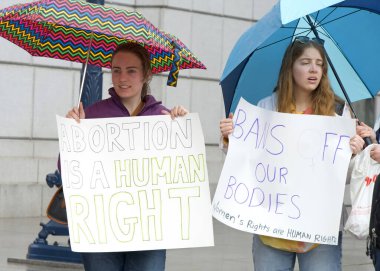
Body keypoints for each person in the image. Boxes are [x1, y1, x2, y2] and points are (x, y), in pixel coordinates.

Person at [219, 36, 365, 271]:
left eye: (319, 64)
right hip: (271, 229)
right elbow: (249, 164)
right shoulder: (266, 108)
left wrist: (353, 155)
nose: (313, 69)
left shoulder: (338, 113)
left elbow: (344, 178)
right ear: (290, 67)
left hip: (319, 232)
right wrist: (231, 139)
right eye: (305, 62)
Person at [65, 42, 188, 271]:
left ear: (146, 75)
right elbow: (67, 171)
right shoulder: (92, 115)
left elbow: (181, 174)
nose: (122, 78)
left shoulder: (163, 118)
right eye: (116, 70)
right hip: (100, 228)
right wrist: (72, 134)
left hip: (149, 230)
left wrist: (183, 128)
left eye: (131, 71)